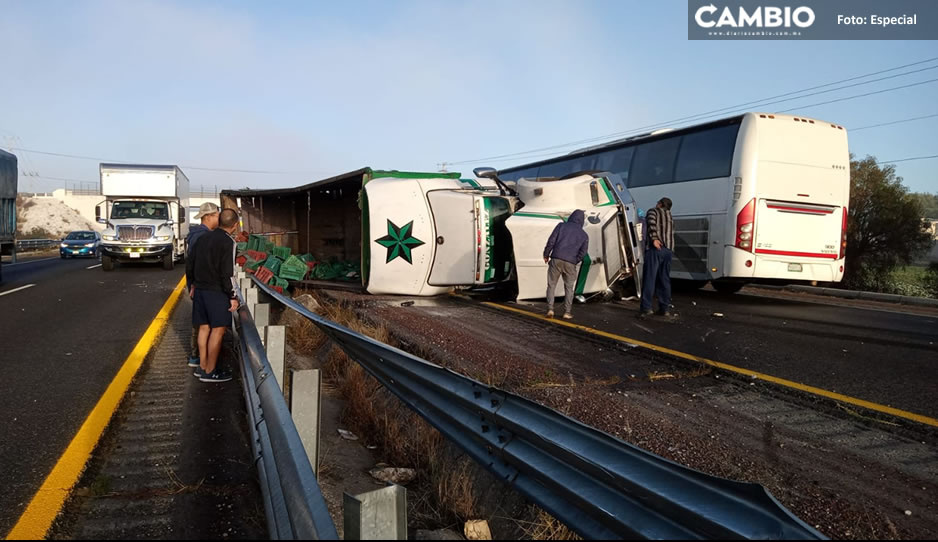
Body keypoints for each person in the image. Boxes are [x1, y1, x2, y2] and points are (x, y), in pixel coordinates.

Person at [191, 208, 241, 383]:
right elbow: (227, 272)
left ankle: (203, 366)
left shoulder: (203, 237)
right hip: (216, 292)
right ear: (235, 225)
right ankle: (211, 371)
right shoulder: (228, 242)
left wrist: (193, 285)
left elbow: (192, 262)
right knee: (218, 330)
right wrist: (233, 296)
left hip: (200, 290)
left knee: (204, 328)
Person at [185, 202, 220, 368]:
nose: (219, 218)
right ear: (209, 216)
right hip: (203, 285)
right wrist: (194, 283)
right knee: (204, 324)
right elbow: (196, 262)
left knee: (201, 323)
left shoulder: (196, 234)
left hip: (197, 283)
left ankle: (198, 357)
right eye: (217, 215)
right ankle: (200, 358)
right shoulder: (202, 236)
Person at [543, 209, 590, 320]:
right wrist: (574, 260)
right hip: (570, 263)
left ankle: (550, 309)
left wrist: (546, 254)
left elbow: (551, 241)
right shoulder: (584, 235)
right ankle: (567, 312)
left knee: (551, 285)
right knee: (569, 288)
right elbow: (583, 253)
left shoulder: (561, 226)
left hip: (556, 259)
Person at [638, 197, 675, 319]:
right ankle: (664, 308)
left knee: (650, 278)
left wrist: (654, 239)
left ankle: (646, 308)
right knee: (664, 279)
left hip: (656, 249)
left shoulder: (653, 211)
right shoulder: (670, 216)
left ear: (660, 204)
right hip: (668, 250)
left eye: (657, 202)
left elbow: (651, 225)